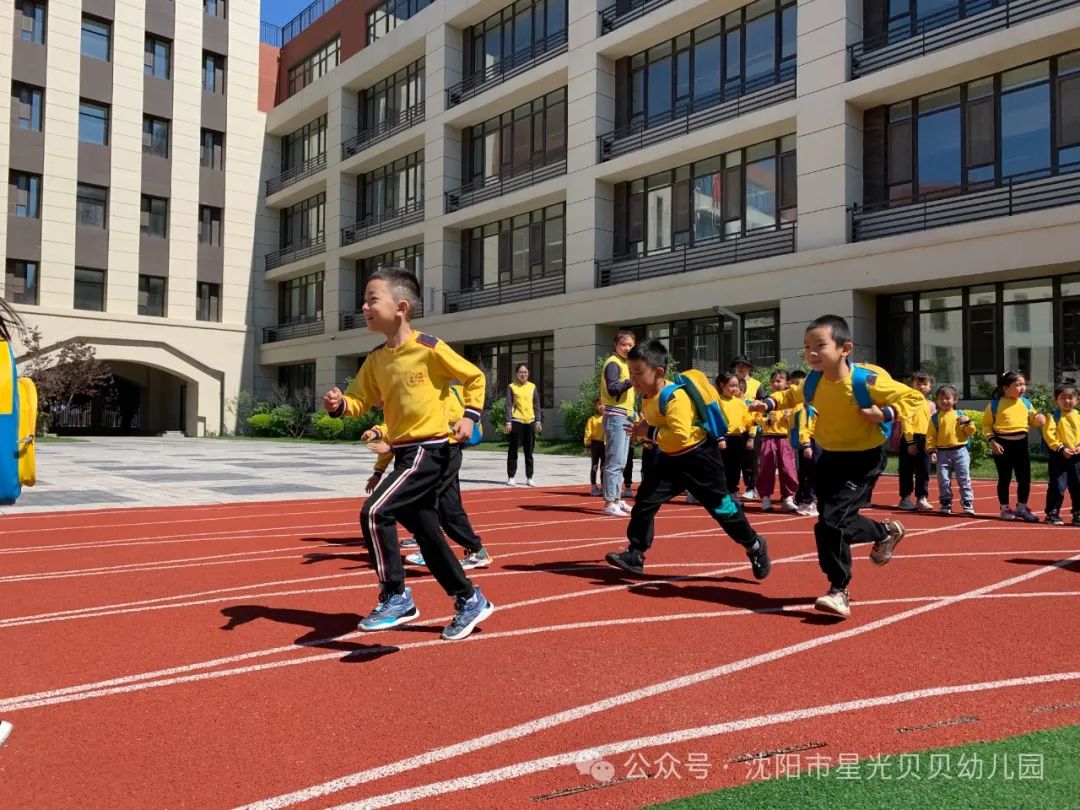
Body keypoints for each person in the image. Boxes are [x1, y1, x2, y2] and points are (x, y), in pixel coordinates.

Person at [322, 267, 494, 641]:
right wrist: (339, 405)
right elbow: (360, 401)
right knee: (429, 536)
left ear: (400, 307)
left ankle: (396, 595)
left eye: (372, 299)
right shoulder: (377, 358)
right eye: (364, 301)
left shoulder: (429, 348)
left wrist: (470, 415)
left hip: (430, 451)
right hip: (404, 454)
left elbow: (474, 377)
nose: (364, 307)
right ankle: (469, 598)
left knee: (375, 512)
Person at [750, 314, 922, 619]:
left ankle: (839, 590)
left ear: (845, 348)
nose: (812, 353)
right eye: (806, 347)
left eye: (819, 345)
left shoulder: (864, 380)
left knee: (831, 522)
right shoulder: (814, 380)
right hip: (829, 458)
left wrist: (884, 413)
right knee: (829, 523)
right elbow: (793, 394)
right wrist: (770, 403)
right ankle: (884, 532)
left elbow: (914, 398)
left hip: (864, 459)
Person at [605, 340, 771, 580]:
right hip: (670, 461)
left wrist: (648, 432)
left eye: (639, 372)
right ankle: (636, 553)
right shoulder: (646, 396)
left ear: (659, 372)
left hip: (701, 459)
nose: (634, 378)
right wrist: (644, 433)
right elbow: (661, 432)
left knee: (723, 510)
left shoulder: (675, 397)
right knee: (645, 502)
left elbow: (681, 437)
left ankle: (755, 545)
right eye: (630, 372)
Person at [364, 384, 493, 570]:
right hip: (440, 453)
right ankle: (476, 550)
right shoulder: (402, 401)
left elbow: (423, 427)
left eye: (374, 398)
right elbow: (394, 431)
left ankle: (430, 547)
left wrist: (388, 447)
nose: (374, 404)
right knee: (449, 509)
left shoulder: (431, 394)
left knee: (415, 501)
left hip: (443, 452)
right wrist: (378, 447)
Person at [983, 370, 1045, 522]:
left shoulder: (1026, 402)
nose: (1022, 388)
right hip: (1002, 445)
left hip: (1021, 445)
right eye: (1017, 385)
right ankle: (1005, 509)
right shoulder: (995, 405)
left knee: (1024, 478)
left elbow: (1034, 422)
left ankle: (1022, 508)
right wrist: (993, 442)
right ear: (1005, 387)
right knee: (1004, 478)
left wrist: (1040, 419)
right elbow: (986, 426)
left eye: (1024, 384)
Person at [600, 330, 637, 516]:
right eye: (624, 344)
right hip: (615, 415)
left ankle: (616, 498)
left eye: (631, 345)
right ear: (615, 345)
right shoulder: (614, 363)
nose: (628, 348)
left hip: (625, 415)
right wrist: (631, 381)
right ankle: (609, 503)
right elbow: (613, 388)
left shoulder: (624, 363)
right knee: (614, 461)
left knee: (622, 461)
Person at [927, 384, 977, 516]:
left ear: (955, 400)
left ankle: (967, 503)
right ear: (937, 400)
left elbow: (971, 432)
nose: (944, 401)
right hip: (942, 453)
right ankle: (945, 502)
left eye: (947, 398)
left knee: (964, 478)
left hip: (960, 451)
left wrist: (967, 422)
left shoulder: (960, 415)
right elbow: (931, 436)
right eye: (941, 398)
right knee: (943, 479)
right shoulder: (935, 418)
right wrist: (932, 451)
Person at [755, 369, 799, 512]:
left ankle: (788, 497)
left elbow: (799, 417)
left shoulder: (792, 402)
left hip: (785, 438)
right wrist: (765, 421)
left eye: (779, 381)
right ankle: (765, 497)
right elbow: (757, 417)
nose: (775, 384)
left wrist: (790, 419)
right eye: (773, 381)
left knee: (788, 468)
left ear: (788, 383)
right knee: (766, 468)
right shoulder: (767, 401)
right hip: (768, 438)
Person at [1041, 382, 1080, 525]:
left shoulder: (1079, 415)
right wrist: (1061, 448)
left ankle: (1078, 513)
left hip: (1077, 457)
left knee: (1078, 486)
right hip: (1059, 457)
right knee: (1057, 486)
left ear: (1077, 399)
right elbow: (1049, 435)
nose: (1067, 401)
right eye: (1063, 397)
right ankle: (1052, 513)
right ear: (1056, 400)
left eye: (1071, 397)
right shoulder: (1053, 416)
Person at [897, 370, 935, 512]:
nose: (922, 386)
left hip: (925, 439)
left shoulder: (930, 404)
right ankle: (905, 498)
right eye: (918, 383)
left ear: (930, 387)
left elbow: (932, 424)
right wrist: (910, 441)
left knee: (924, 470)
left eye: (925, 384)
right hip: (911, 437)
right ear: (912, 385)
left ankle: (922, 498)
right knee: (906, 469)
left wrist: (932, 443)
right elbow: (905, 420)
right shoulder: (908, 401)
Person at [715, 371, 753, 497]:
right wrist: (720, 438)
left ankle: (732, 492)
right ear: (721, 385)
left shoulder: (740, 402)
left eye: (736, 385)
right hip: (721, 439)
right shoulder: (717, 402)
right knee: (720, 467)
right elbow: (714, 420)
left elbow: (747, 420)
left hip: (737, 439)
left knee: (735, 468)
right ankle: (718, 492)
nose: (735, 388)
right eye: (731, 385)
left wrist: (759, 420)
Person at [788, 369, 819, 517]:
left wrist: (806, 443)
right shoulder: (796, 407)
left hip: (812, 442)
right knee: (804, 472)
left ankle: (811, 500)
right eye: (793, 384)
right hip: (802, 443)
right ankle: (804, 498)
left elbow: (805, 426)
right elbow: (797, 427)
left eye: (798, 385)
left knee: (813, 472)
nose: (794, 388)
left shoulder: (809, 406)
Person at [505, 363, 541, 486]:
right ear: (517, 374)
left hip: (530, 421)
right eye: (520, 372)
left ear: (528, 373)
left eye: (525, 372)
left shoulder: (532, 387)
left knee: (529, 451)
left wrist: (538, 420)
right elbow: (508, 406)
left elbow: (536, 405)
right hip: (516, 421)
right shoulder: (511, 387)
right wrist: (508, 421)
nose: (523, 374)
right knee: (513, 450)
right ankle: (511, 477)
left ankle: (529, 477)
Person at [731, 354, 761, 500]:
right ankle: (732, 488)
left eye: (743, 365)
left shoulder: (757, 384)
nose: (740, 368)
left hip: (752, 428)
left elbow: (761, 409)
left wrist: (753, 434)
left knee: (751, 460)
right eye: (738, 365)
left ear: (749, 368)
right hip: (735, 429)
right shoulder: (729, 383)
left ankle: (752, 487)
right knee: (734, 461)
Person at [584, 398, 605, 496]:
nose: (602, 406)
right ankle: (594, 487)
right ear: (596, 406)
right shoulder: (592, 419)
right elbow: (588, 432)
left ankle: (604, 486)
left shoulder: (609, 418)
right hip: (595, 445)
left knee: (604, 467)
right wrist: (587, 445)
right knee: (594, 466)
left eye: (604, 404)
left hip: (606, 445)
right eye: (599, 404)